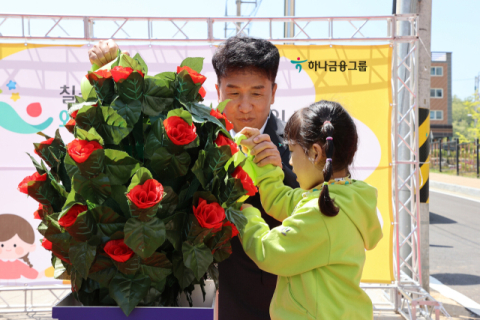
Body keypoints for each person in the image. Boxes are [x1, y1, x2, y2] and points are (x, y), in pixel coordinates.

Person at [88, 36, 299, 320]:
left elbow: (313, 214)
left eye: (257, 94)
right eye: (234, 93)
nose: (245, 106)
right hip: (190, 298)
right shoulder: (195, 136)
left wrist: (283, 173)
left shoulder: (298, 149)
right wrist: (112, 70)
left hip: (268, 299)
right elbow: (138, 130)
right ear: (218, 90)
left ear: (273, 92)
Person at [237, 100, 383, 320]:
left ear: (315, 153)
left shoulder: (322, 213)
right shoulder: (342, 197)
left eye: (292, 151)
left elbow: (269, 251)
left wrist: (245, 213)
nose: (291, 162)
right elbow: (282, 199)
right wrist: (267, 165)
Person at [0, 214, 41, 280]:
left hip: (17, 287)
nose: (8, 248)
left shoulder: (18, 265)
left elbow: (31, 274)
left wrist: (41, 275)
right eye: (2, 245)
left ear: (31, 246)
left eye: (15, 245)